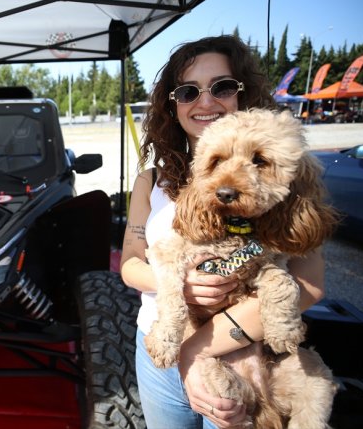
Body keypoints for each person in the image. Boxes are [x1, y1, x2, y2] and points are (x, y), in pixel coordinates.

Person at [119, 35, 327, 429]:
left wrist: (196, 350)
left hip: (244, 355)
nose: (206, 101)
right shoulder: (150, 181)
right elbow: (130, 262)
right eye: (188, 91)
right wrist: (184, 285)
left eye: (222, 87)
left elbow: (311, 285)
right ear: (172, 103)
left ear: (242, 92)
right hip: (156, 350)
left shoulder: (279, 173)